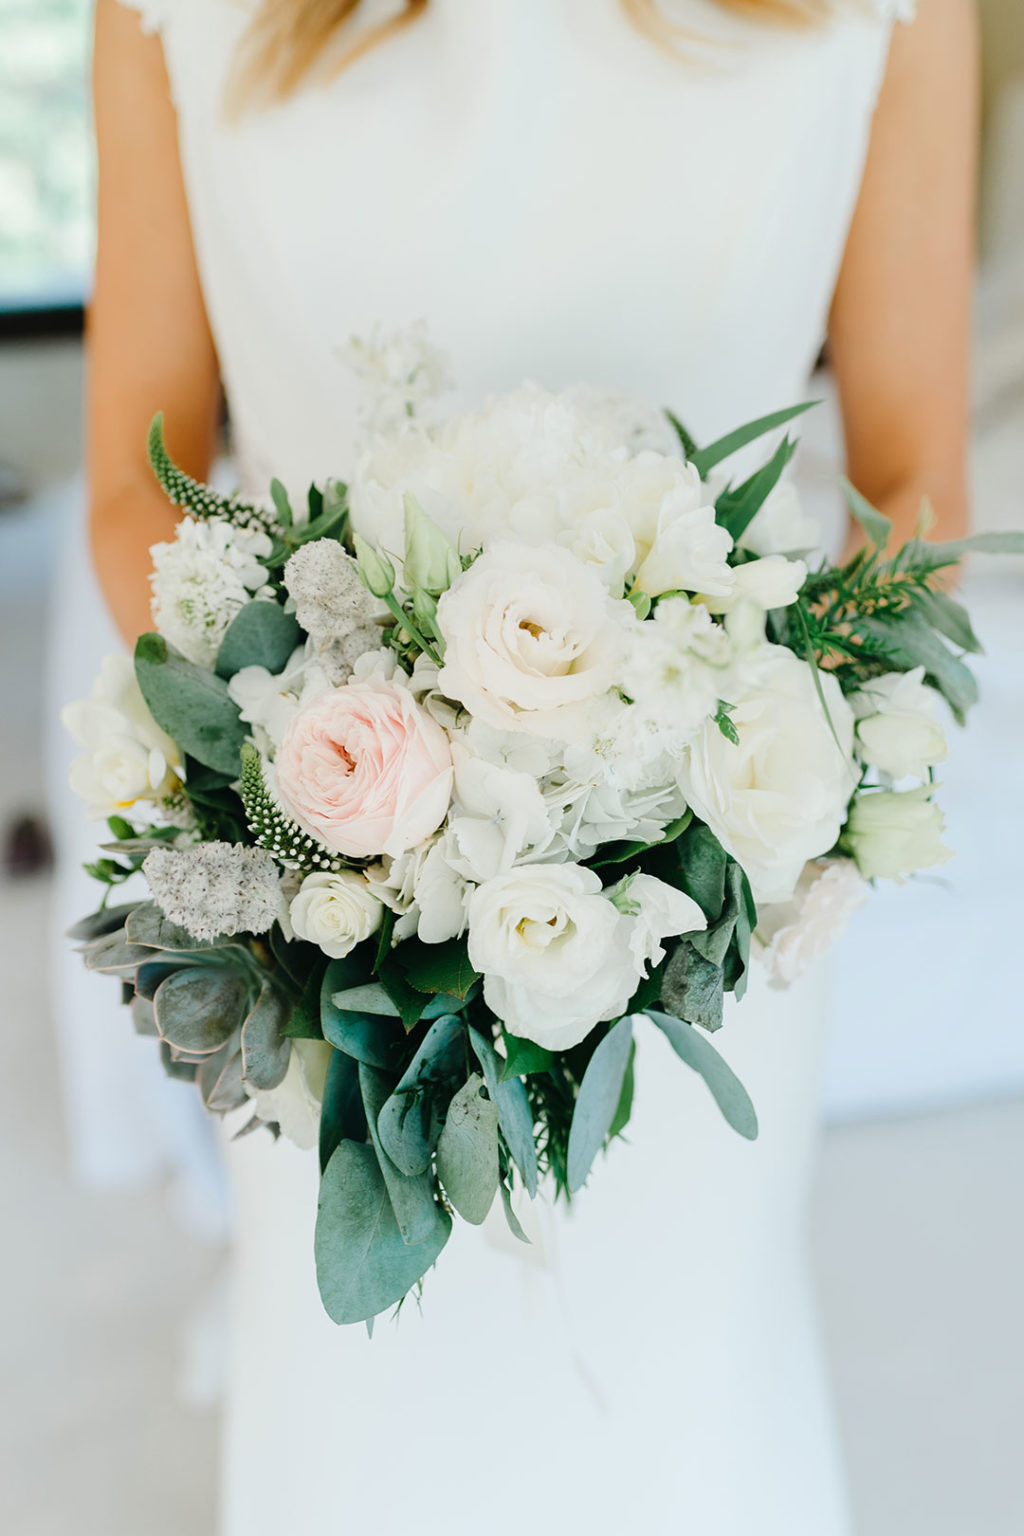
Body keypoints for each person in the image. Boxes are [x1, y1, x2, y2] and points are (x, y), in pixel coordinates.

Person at [83, 1, 975, 1531]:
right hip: (336, 911)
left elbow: (911, 482)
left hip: (710, 920)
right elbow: (130, 481)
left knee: (686, 1402)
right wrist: (340, 779)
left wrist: (742, 784)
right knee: (363, 1411)